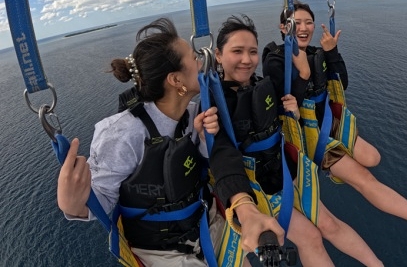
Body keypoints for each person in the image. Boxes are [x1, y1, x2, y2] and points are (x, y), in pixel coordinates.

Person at [57, 17, 283, 267]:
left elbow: (210, 161)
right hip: (160, 251)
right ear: (176, 80)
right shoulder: (122, 133)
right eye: (194, 59)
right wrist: (73, 205)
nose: (202, 63)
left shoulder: (195, 114)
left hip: (206, 224)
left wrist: (204, 139)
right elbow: (101, 198)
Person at [262, 0, 407, 236]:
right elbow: (284, 110)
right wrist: (303, 73)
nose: (304, 28)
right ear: (284, 28)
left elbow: (342, 83)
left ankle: (336, 169)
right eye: (297, 23)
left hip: (328, 123)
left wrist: (332, 51)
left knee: (372, 157)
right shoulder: (277, 61)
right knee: (364, 179)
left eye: (309, 22)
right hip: (308, 136)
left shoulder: (316, 53)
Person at [212, 14, 384, 267]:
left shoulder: (263, 87)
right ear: (218, 55)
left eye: (252, 52)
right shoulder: (213, 105)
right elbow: (219, 155)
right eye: (237, 51)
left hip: (284, 174)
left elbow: (281, 122)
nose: (246, 60)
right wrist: (204, 130)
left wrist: (292, 112)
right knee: (312, 236)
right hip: (256, 189)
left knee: (328, 225)